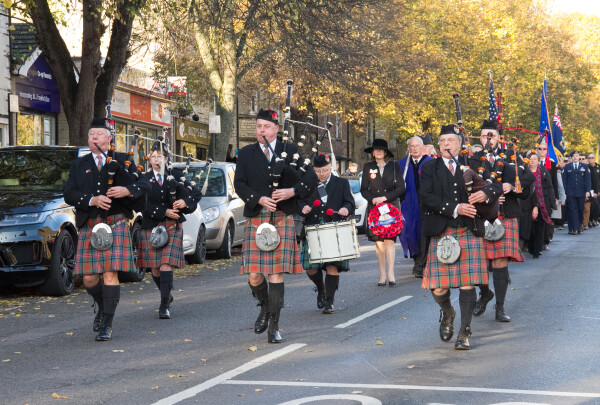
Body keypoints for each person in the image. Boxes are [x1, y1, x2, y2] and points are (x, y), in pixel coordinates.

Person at [234, 108, 317, 343]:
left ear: (276, 129)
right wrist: (258, 198)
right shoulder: (247, 154)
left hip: (281, 217)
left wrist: (292, 191)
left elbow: (310, 178)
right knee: (253, 275)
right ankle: (265, 308)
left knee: (276, 273)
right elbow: (240, 184)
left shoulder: (289, 150)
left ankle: (274, 326)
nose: (261, 130)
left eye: (266, 126)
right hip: (257, 216)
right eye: (258, 126)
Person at [64, 118, 150, 341]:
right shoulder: (79, 164)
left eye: (99, 134)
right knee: (90, 278)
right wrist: (91, 200)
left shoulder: (123, 161)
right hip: (90, 225)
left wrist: (126, 190)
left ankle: (107, 325)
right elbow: (69, 194)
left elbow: (144, 185)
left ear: (109, 138)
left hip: (116, 222)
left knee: (110, 273)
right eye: (91, 134)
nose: (93, 138)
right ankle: (103, 308)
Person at [419, 124, 502, 350]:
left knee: (467, 284)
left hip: (468, 230)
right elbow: (426, 197)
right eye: (442, 141)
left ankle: (464, 331)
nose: (446, 144)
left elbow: (497, 186)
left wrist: (486, 192)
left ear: (459, 143)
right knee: (437, 287)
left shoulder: (474, 163)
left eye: (450, 140)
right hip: (442, 230)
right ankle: (448, 312)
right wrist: (456, 208)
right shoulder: (429, 168)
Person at [471, 120, 534, 322]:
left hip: (505, 214)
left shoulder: (511, 157)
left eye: (492, 134)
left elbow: (528, 179)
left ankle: (500, 307)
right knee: (477, 261)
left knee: (499, 262)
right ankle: (484, 293)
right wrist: (489, 195)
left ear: (499, 137)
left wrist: (510, 185)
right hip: (480, 216)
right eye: (484, 135)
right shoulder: (472, 159)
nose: (488, 138)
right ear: (479, 138)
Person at [138, 142, 200, 319]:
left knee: (165, 264)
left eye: (160, 156)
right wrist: (163, 211)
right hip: (151, 225)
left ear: (166, 159)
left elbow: (195, 195)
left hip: (172, 226)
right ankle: (166, 294)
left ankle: (164, 305)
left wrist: (184, 203)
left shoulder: (176, 176)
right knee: (155, 268)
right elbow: (142, 204)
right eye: (154, 156)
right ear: (149, 160)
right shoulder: (143, 179)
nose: (156, 159)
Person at [300, 153, 355, 314]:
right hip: (312, 228)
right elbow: (300, 200)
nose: (322, 174)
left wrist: (346, 208)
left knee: (332, 265)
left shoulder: (341, 183)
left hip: (334, 228)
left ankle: (329, 302)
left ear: (331, 167)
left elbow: (349, 202)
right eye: (318, 171)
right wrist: (303, 207)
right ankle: (321, 288)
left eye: (325, 170)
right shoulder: (307, 184)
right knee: (310, 268)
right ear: (313, 170)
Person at [360, 138, 405, 286]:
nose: (378, 151)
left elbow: (400, 188)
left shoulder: (394, 166)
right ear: (373, 152)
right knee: (378, 243)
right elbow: (364, 189)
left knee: (390, 241)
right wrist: (374, 199)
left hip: (391, 207)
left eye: (381, 149)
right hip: (374, 208)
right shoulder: (368, 167)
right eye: (376, 149)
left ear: (385, 152)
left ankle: (391, 273)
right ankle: (382, 274)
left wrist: (385, 198)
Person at [399, 136, 432, 278]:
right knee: (409, 233)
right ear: (408, 148)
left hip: (425, 204)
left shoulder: (430, 163)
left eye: (417, 146)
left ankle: (420, 265)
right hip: (408, 204)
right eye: (411, 146)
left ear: (423, 147)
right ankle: (417, 261)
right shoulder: (402, 164)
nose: (414, 148)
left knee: (423, 234)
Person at [527, 153, 555, 257]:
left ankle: (538, 248)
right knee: (530, 227)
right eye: (530, 159)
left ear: (538, 161)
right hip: (527, 203)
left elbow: (550, 187)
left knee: (539, 227)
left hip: (542, 203)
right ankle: (530, 246)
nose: (532, 161)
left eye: (534, 159)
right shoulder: (524, 171)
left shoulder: (544, 172)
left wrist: (552, 202)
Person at [562, 150, 591, 235]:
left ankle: (578, 226)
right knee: (572, 210)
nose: (575, 157)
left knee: (580, 210)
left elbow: (587, 180)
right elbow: (564, 180)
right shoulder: (567, 167)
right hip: (570, 192)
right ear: (572, 157)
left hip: (581, 192)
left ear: (579, 157)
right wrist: (564, 192)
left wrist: (587, 191)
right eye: (574, 156)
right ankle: (574, 228)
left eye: (577, 155)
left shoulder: (584, 166)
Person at [587, 153, 600, 226]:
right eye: (589, 158)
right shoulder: (587, 167)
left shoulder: (598, 166)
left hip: (597, 190)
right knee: (591, 206)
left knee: (597, 206)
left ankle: (595, 219)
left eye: (592, 158)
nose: (591, 159)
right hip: (590, 190)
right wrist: (592, 192)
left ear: (595, 158)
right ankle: (590, 220)